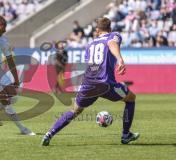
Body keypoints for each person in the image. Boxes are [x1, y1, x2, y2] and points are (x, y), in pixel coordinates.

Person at [42, 17, 139, 146]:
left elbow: (91, 64)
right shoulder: (114, 35)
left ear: (97, 30)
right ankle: (126, 135)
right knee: (131, 98)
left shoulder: (90, 45)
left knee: (74, 110)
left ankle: (49, 134)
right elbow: (112, 44)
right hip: (105, 83)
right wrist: (119, 59)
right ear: (109, 29)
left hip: (88, 83)